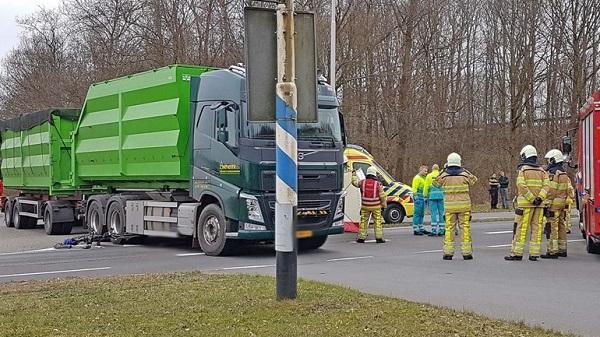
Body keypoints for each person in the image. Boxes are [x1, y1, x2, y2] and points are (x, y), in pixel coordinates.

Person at [505, 145, 549, 261]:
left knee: (521, 229)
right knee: (537, 229)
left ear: (525, 156)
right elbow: (546, 186)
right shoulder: (542, 171)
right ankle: (534, 254)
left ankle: (517, 254)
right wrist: (539, 198)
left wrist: (531, 199)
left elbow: (521, 186)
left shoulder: (523, 170)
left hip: (525, 205)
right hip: (539, 206)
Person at [435, 153, 477, 260]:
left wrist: (443, 171)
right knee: (465, 228)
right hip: (464, 207)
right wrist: (466, 170)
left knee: (449, 229)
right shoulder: (464, 175)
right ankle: (466, 253)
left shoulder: (444, 176)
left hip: (450, 207)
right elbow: (474, 180)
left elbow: (435, 183)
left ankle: (448, 253)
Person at [541, 149, 575, 259]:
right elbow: (568, 191)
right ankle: (562, 249)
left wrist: (546, 203)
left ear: (553, 159)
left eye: (549, 160)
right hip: (562, 204)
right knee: (561, 226)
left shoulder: (553, 174)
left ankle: (552, 251)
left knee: (551, 227)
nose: (548, 162)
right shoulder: (564, 174)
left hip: (553, 205)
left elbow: (551, 191)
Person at [352, 166, 387, 243]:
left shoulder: (362, 182)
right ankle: (379, 238)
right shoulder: (378, 184)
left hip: (365, 206)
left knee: (364, 222)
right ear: (374, 174)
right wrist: (384, 206)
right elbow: (382, 197)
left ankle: (361, 237)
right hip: (376, 207)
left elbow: (354, 183)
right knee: (377, 222)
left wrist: (354, 175)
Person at [424, 164, 444, 236]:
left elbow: (426, 186)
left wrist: (425, 195)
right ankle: (442, 229)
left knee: (433, 213)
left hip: (432, 197)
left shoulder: (429, 176)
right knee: (441, 213)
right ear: (438, 169)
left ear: (432, 169)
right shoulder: (441, 175)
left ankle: (434, 230)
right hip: (441, 196)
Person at [412, 165, 428, 235]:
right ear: (421, 170)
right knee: (417, 213)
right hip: (418, 198)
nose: (426, 172)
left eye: (427, 171)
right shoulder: (417, 178)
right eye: (425, 171)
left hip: (422, 198)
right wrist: (415, 197)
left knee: (421, 213)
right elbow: (414, 188)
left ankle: (421, 227)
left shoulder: (424, 178)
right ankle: (416, 229)